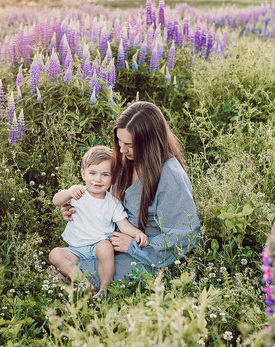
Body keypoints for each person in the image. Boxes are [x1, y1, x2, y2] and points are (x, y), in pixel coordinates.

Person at [60, 101, 201, 285]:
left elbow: (183, 235)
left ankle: (80, 278)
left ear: (149, 143)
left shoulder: (171, 177)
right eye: (119, 141)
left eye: (130, 145)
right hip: (107, 243)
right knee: (61, 258)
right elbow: (110, 205)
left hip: (146, 256)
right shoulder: (126, 159)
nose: (121, 150)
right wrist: (81, 209)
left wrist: (133, 247)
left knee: (82, 273)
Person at [49, 146, 148, 294]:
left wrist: (138, 233)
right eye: (92, 173)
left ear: (113, 178)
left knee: (106, 247)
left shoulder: (112, 202)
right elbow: (56, 201)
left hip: (98, 245)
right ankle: (85, 283)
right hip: (76, 249)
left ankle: (104, 288)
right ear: (83, 174)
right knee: (55, 254)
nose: (98, 179)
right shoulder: (78, 193)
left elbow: (124, 225)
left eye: (105, 175)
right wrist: (68, 193)